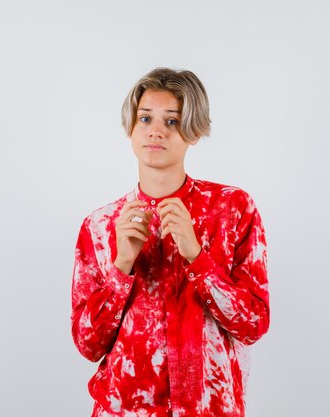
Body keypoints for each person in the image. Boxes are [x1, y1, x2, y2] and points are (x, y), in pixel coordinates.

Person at [70, 68, 270, 417]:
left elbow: (253, 324)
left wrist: (198, 257)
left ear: (193, 132)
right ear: (131, 128)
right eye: (145, 117)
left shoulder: (232, 209)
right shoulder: (100, 226)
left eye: (173, 121)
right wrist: (121, 267)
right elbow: (88, 345)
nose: (156, 130)